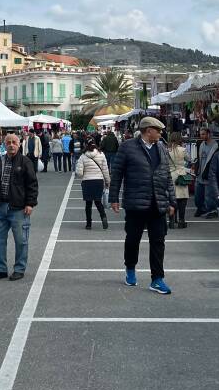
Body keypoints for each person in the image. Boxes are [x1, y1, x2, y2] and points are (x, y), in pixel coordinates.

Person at [109, 116, 176, 295]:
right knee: (133, 239)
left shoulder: (161, 147)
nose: (161, 134)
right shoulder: (127, 147)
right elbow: (117, 174)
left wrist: (172, 200)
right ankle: (130, 268)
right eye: (158, 130)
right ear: (148, 131)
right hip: (135, 202)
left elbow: (167, 176)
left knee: (158, 241)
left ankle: (157, 279)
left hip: (158, 203)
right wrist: (113, 198)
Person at [0, 133, 38, 281]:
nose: (11, 145)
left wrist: (30, 203)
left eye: (14, 142)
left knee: (21, 241)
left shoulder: (25, 161)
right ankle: (0, 269)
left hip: (18, 208)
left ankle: (19, 269)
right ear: (4, 144)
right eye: (8, 142)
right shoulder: (0, 161)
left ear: (19, 144)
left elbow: (32, 184)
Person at [76, 139, 110, 229]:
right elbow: (105, 170)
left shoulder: (83, 156)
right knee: (98, 202)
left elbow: (79, 173)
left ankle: (88, 224)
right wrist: (107, 182)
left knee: (88, 204)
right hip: (98, 181)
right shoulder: (101, 154)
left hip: (87, 181)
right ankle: (103, 217)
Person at [193, 128, 219, 218]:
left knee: (209, 196)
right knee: (198, 195)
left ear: (209, 134)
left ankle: (213, 210)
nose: (202, 136)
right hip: (200, 174)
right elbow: (199, 158)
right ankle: (201, 208)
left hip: (209, 175)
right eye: (201, 134)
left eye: (203, 134)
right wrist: (196, 170)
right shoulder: (201, 144)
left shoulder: (216, 145)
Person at [167, 133, 191, 229]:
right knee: (182, 199)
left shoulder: (167, 150)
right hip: (181, 175)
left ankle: (172, 220)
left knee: (172, 198)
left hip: (170, 175)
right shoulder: (183, 149)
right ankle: (181, 220)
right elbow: (189, 159)